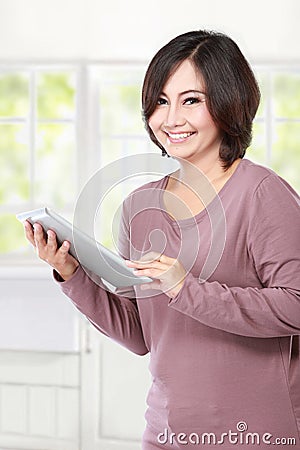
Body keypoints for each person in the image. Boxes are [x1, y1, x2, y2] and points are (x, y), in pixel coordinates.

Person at [23, 30, 300, 449]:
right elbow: (139, 336)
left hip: (257, 432)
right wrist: (72, 273)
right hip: (167, 432)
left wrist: (186, 289)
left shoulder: (262, 193)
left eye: (192, 100)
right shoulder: (139, 207)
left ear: (230, 102)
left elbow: (295, 305)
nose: (170, 119)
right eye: (160, 101)